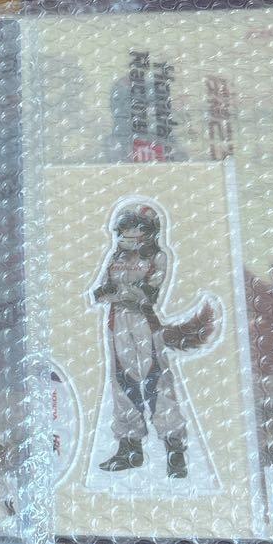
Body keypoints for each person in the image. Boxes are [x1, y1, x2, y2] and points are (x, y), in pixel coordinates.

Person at [93, 203, 215, 478]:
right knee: (122, 383)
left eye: (136, 229)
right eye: (126, 230)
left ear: (149, 232)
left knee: (156, 382)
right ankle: (130, 447)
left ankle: (175, 450)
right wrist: (121, 292)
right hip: (116, 322)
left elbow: (147, 294)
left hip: (144, 323)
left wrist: (120, 291)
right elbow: (101, 292)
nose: (129, 235)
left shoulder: (157, 257)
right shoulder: (116, 256)